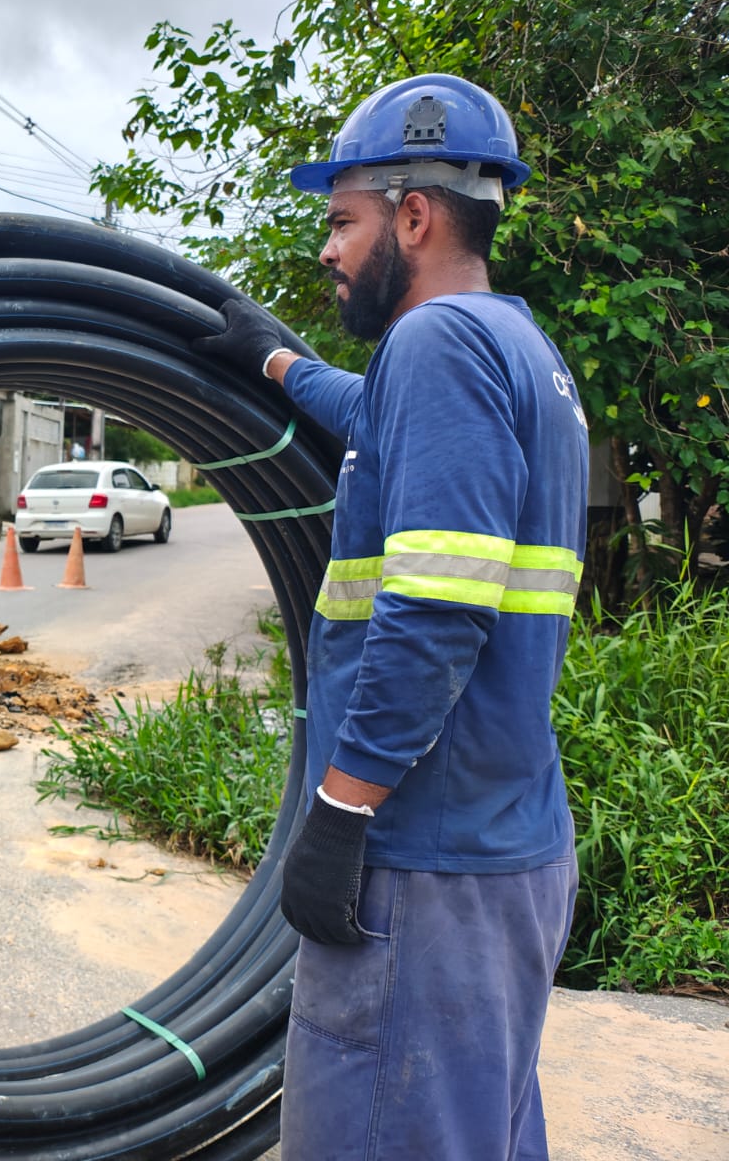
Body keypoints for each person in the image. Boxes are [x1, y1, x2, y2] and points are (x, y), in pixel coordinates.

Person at [198, 74, 588, 1159]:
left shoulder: (435, 347)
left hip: (423, 861)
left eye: (341, 219)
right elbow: (366, 412)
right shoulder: (517, 350)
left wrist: (339, 811)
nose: (327, 250)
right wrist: (274, 359)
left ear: (412, 216)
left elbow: (435, 612)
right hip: (502, 842)